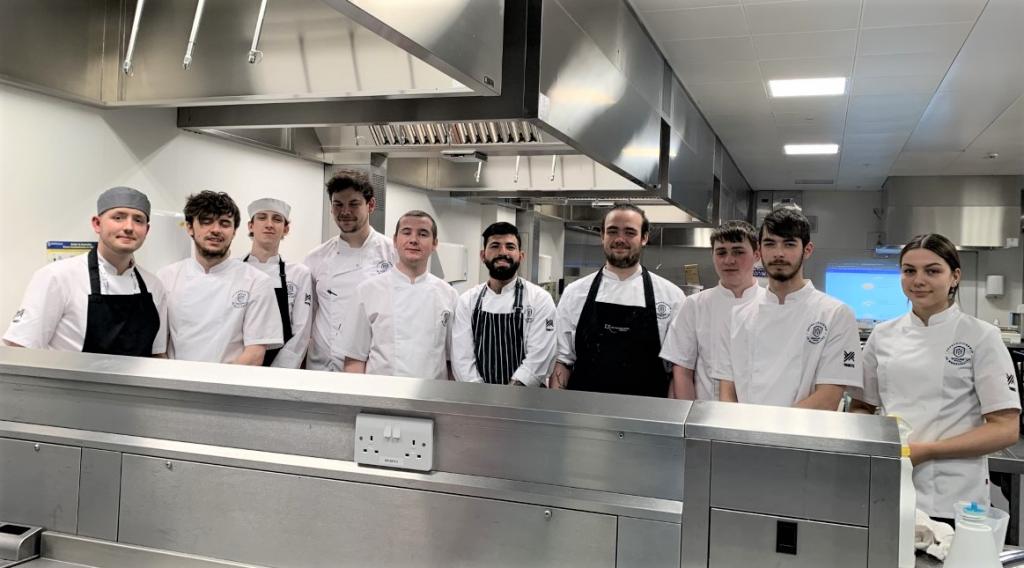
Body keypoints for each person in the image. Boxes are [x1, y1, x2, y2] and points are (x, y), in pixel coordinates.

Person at [852, 234, 1020, 521]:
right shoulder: (883, 335)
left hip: (955, 495)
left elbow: (1005, 428)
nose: (918, 280)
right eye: (909, 271)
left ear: (954, 277)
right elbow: (862, 406)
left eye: (932, 270)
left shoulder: (981, 337)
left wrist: (927, 450)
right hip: (890, 487)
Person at [714, 207, 862, 408]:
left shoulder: (835, 314)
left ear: (807, 250)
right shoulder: (738, 315)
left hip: (803, 436)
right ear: (760, 250)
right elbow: (727, 392)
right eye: (770, 244)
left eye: (789, 244)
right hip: (744, 433)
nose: (778, 253)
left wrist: (764, 431)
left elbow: (828, 397)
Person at [3, 186, 167, 356]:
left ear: (146, 230)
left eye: (138, 220)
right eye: (118, 217)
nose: (129, 227)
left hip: (134, 383)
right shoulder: (57, 277)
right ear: (97, 224)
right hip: (70, 383)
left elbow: (157, 355)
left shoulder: (154, 286)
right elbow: (19, 350)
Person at [549, 204, 684, 397]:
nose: (620, 239)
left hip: (648, 419)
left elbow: (676, 372)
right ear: (602, 236)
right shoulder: (574, 293)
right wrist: (558, 412)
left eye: (630, 232)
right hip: (584, 416)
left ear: (644, 238)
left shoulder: (671, 297)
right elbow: (563, 361)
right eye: (612, 231)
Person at [158, 191, 282, 365]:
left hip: (228, 387)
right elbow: (158, 348)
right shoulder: (166, 278)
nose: (215, 230)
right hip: (176, 385)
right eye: (206, 221)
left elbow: (254, 353)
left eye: (224, 223)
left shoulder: (257, 282)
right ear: (189, 227)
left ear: (234, 232)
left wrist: (215, 387)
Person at [339, 211, 458, 381]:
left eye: (423, 234)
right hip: (380, 399)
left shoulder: (449, 295)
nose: (414, 240)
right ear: (395, 241)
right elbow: (354, 360)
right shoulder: (368, 291)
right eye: (406, 232)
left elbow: (451, 362)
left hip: (431, 399)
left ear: (434, 244)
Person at [660, 220, 765, 400]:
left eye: (738, 252)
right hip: (705, 416)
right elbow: (682, 371)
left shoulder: (772, 305)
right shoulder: (694, 305)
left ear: (757, 255)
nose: (729, 260)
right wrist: (692, 422)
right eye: (721, 252)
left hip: (758, 415)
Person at [304, 172, 396, 371]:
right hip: (323, 365)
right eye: (338, 204)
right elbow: (307, 316)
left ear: (370, 205)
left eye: (353, 204)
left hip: (373, 365)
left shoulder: (392, 254)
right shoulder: (316, 257)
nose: (345, 211)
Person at [451, 222, 557, 386]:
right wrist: (481, 398)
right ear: (482, 255)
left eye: (510, 247)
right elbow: (461, 358)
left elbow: (539, 358)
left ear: (521, 256)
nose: (503, 252)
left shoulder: (540, 299)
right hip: (478, 401)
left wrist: (508, 397)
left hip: (528, 400)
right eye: (495, 246)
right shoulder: (467, 301)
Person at [244, 198, 313, 368]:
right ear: (250, 226)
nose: (269, 224)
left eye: (277, 219)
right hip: (240, 362)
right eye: (262, 217)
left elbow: (301, 332)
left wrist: (279, 372)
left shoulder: (299, 273)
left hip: (282, 369)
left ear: (285, 229)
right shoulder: (234, 270)